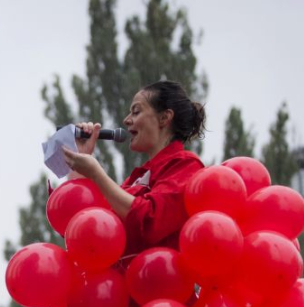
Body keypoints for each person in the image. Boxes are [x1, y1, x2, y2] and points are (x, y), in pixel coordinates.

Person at [62, 80, 206, 255]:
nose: (126, 120)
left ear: (164, 118)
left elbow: (150, 222)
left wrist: (96, 174)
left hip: (155, 279)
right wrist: (81, 159)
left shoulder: (185, 165)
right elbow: (86, 229)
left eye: (136, 112)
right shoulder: (135, 179)